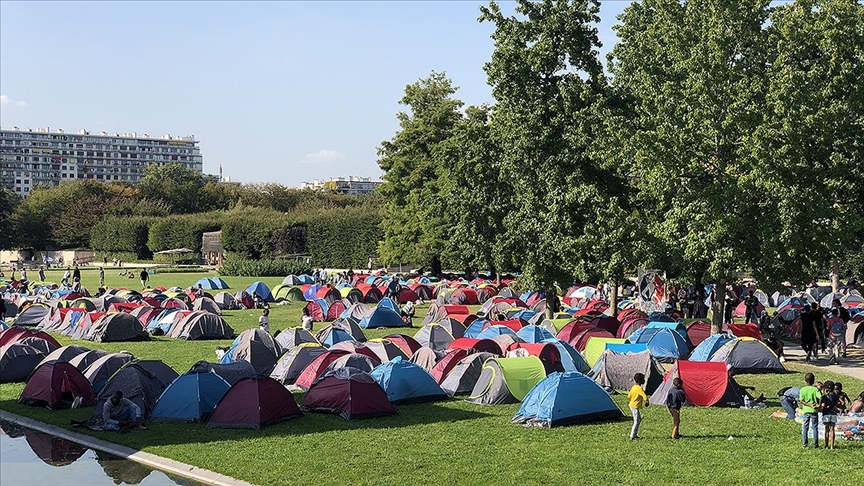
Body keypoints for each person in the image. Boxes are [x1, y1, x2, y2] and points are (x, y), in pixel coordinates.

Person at [798, 373, 822, 449]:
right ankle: (816, 445)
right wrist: (818, 405)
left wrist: (808, 405)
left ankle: (805, 444)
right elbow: (821, 397)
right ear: (813, 380)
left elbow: (801, 400)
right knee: (815, 427)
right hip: (814, 411)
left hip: (806, 410)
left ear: (805, 380)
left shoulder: (802, 389)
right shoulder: (815, 389)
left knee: (805, 427)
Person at [819, 381, 841, 450]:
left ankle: (826, 445)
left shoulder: (824, 397)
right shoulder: (835, 395)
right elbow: (839, 403)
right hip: (833, 413)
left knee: (827, 430)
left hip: (826, 414)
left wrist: (824, 407)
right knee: (832, 430)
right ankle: (832, 446)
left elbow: (823, 406)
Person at [627, 373, 649, 440]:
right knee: (636, 421)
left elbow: (629, 396)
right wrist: (647, 402)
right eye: (643, 379)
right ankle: (632, 436)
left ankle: (635, 434)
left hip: (631, 405)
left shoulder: (633, 387)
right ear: (640, 381)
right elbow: (645, 396)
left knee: (638, 420)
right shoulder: (639, 388)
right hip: (635, 406)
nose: (644, 380)